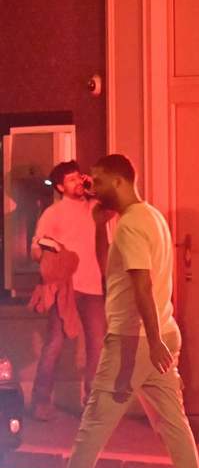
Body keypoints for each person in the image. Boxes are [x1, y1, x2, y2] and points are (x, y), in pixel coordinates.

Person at [13, 154, 199, 468]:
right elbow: (114, 273)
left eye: (99, 182)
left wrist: (150, 341)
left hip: (133, 340)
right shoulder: (151, 216)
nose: (92, 189)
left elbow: (140, 285)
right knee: (173, 423)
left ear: (119, 182)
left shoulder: (132, 226)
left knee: (95, 422)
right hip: (161, 334)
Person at [28, 161, 108, 420]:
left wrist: (93, 185)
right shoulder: (54, 212)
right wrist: (53, 260)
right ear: (61, 186)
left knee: (97, 346)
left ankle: (92, 404)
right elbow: (36, 247)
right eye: (71, 180)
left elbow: (115, 205)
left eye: (78, 178)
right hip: (66, 287)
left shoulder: (94, 208)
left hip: (93, 286)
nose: (77, 183)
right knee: (55, 343)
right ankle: (40, 401)